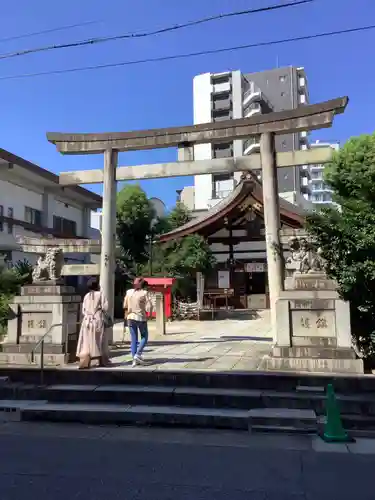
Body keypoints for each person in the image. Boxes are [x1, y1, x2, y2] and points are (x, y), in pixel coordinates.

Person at [76, 279, 110, 369]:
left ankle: (85, 361)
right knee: (100, 340)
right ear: (97, 286)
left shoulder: (86, 296)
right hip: (97, 319)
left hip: (87, 320)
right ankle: (102, 361)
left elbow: (83, 310)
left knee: (86, 342)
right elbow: (105, 307)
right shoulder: (101, 294)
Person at [123, 277, 153, 367]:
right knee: (144, 336)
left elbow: (125, 305)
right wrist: (150, 314)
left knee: (134, 339)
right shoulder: (144, 293)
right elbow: (149, 306)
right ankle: (138, 354)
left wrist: (126, 315)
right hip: (140, 317)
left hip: (130, 316)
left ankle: (134, 360)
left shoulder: (129, 292)